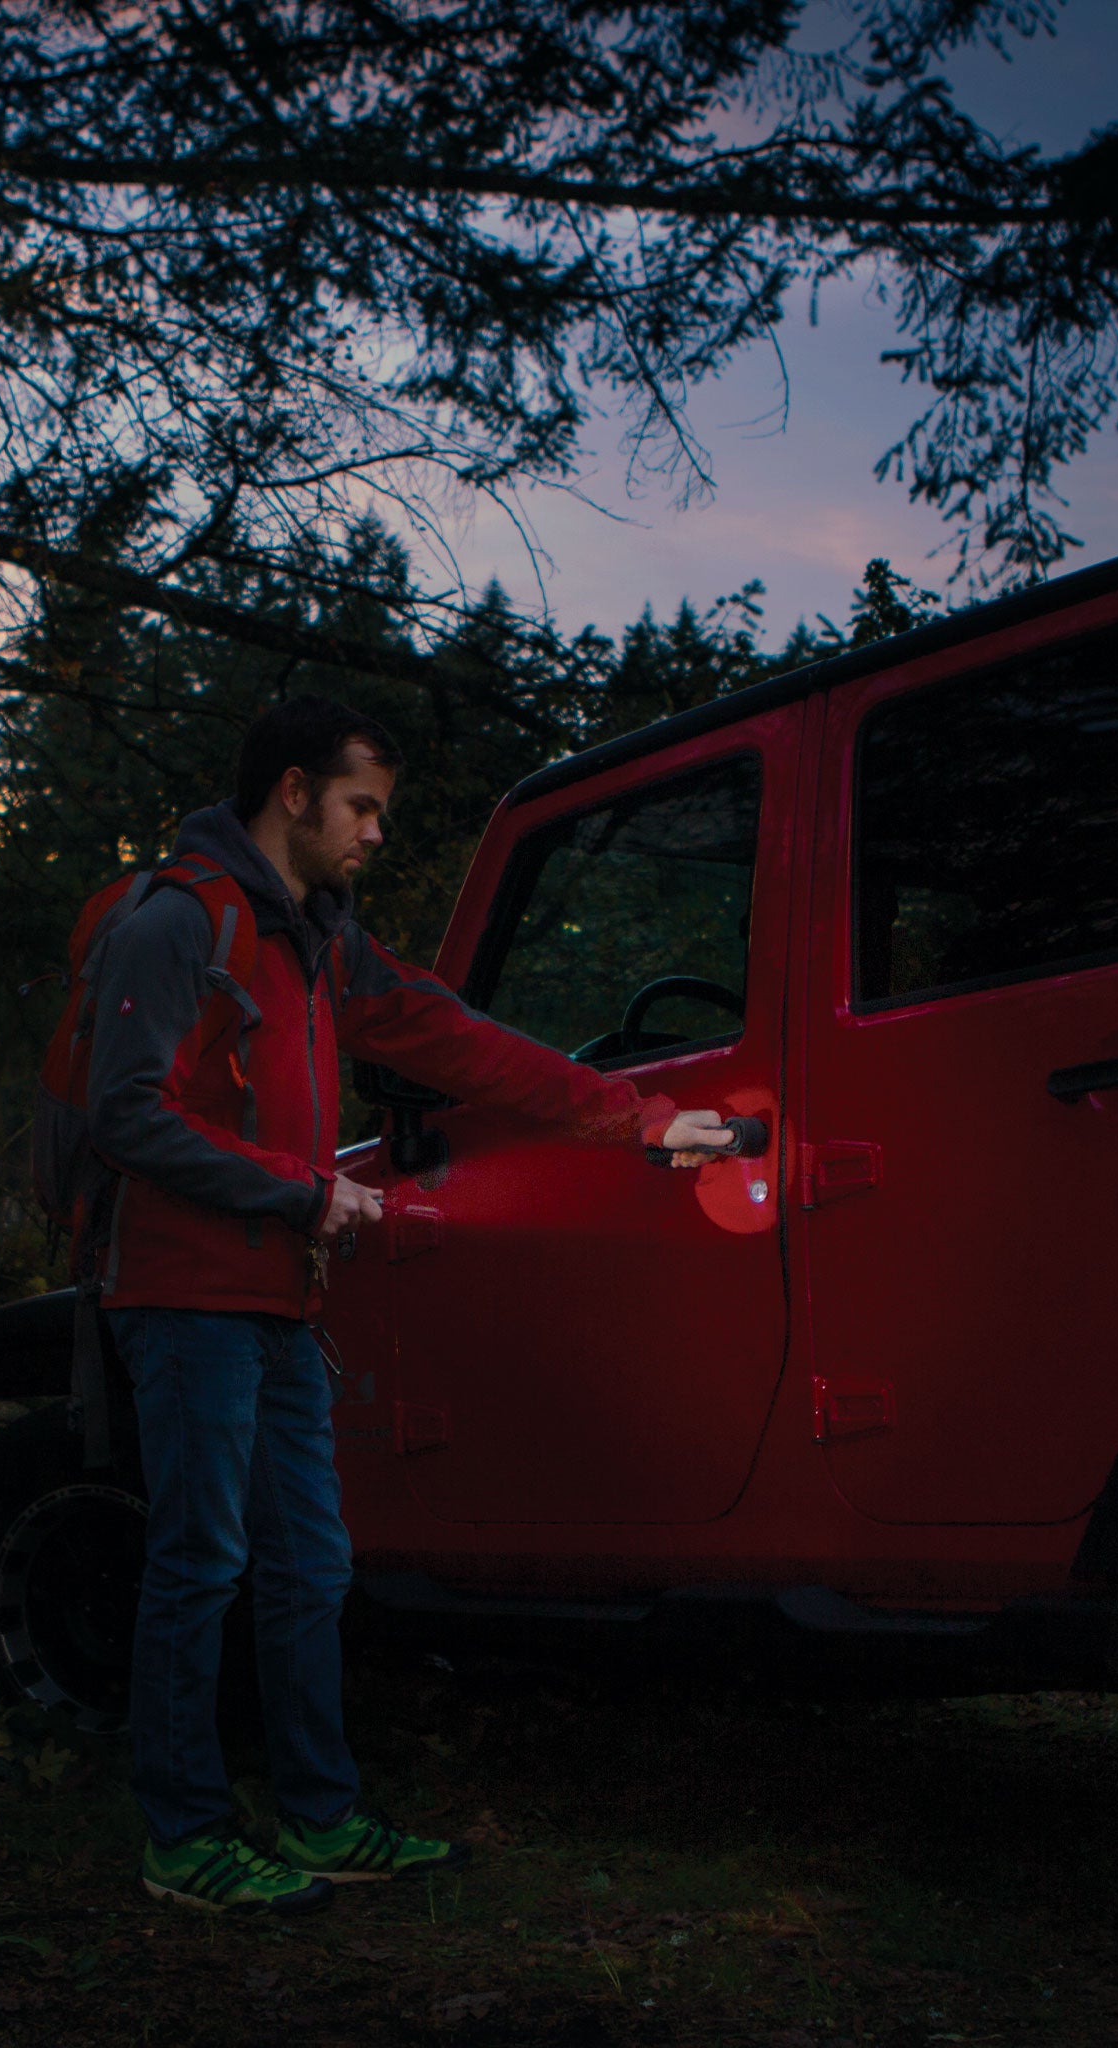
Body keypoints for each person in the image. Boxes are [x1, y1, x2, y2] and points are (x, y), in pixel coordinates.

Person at [85, 694, 736, 1916]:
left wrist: (639, 1121)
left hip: (280, 1296)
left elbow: (455, 1038)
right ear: (291, 793)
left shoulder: (321, 938)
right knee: (201, 1558)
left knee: (310, 1562)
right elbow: (125, 1115)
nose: (375, 831)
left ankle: (318, 1813)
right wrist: (302, 1191)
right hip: (182, 1294)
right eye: (360, 805)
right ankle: (182, 1834)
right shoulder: (182, 920)